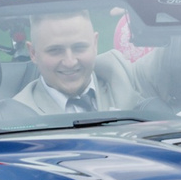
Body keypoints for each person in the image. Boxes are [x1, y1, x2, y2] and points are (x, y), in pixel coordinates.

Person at [8, 8, 142, 115]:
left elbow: (163, 61)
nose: (70, 62)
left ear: (95, 44)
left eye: (79, 48)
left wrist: (151, 1)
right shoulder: (18, 114)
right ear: (33, 53)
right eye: (55, 50)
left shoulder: (120, 71)